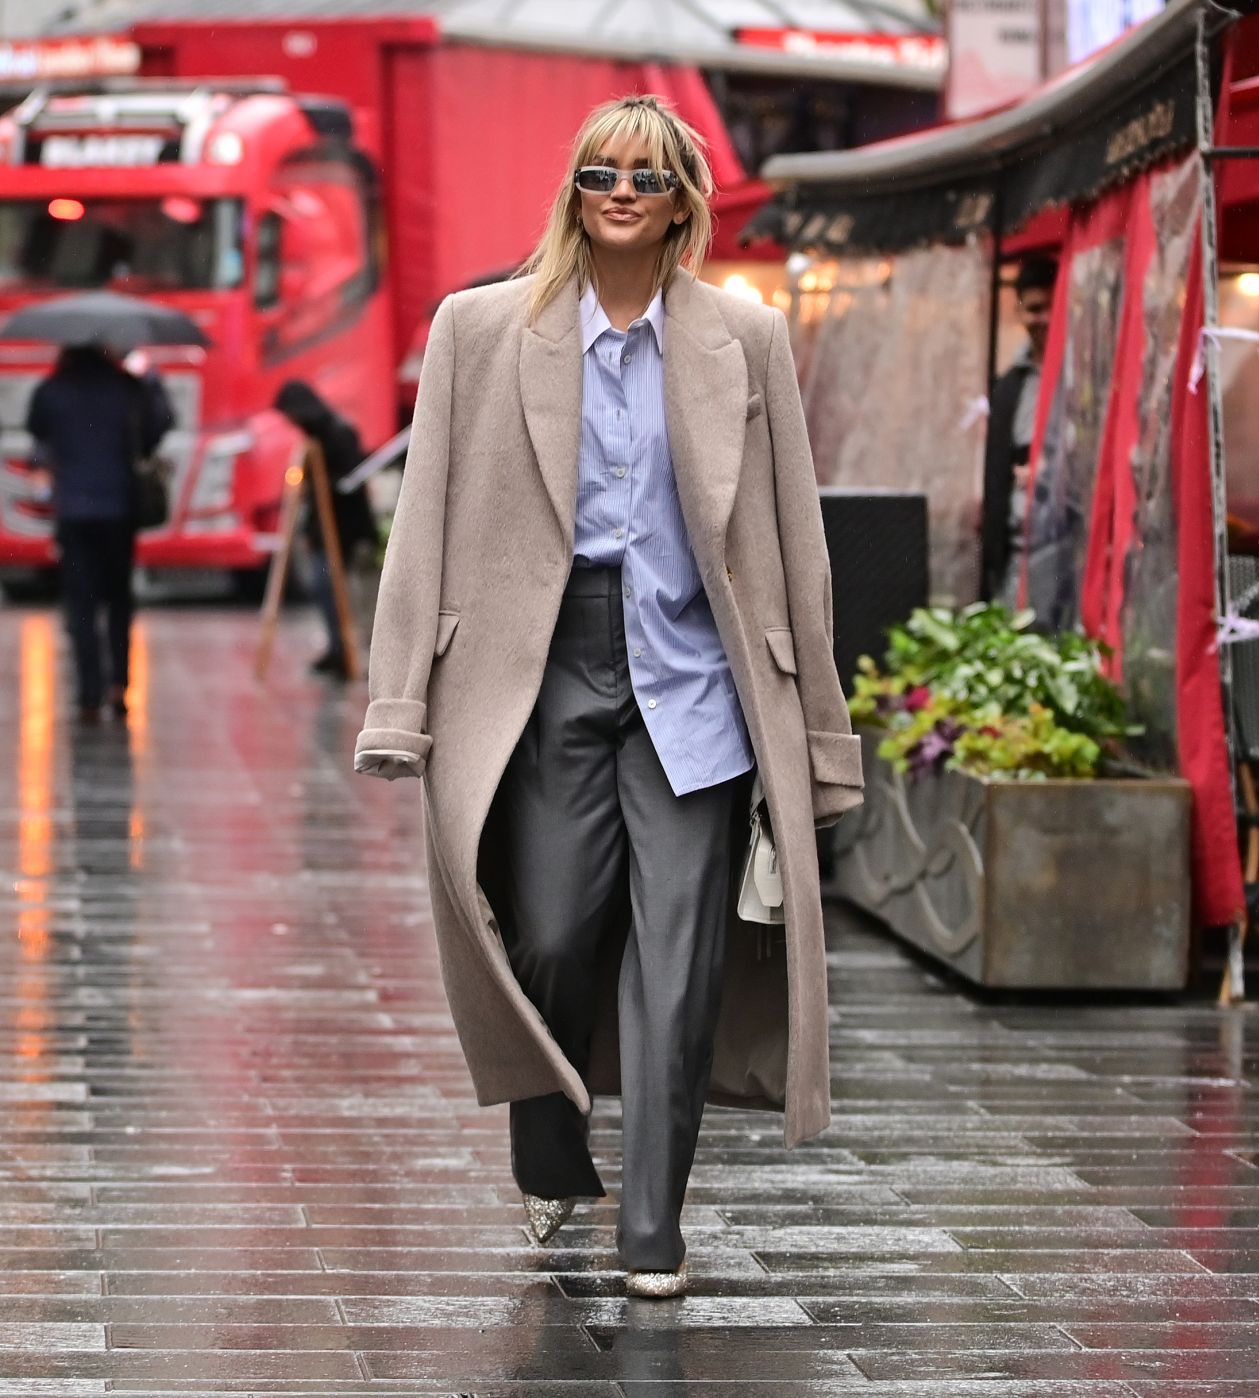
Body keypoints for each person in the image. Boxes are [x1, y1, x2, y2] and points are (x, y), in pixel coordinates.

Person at [353, 95, 863, 1297]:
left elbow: (797, 542)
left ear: (683, 196)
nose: (618, 192)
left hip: (697, 679)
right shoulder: (479, 330)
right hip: (540, 668)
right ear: (572, 193)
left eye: (642, 175)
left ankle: (652, 1227)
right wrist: (397, 703)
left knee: (681, 960)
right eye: (597, 173)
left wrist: (821, 736)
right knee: (547, 927)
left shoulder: (743, 337)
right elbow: (418, 524)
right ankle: (545, 1149)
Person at [26, 342, 174, 721]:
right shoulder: (128, 388)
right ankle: (118, 686)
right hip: (118, 509)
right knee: (119, 600)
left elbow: (36, 430)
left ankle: (89, 694)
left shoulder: (53, 389)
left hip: (73, 511)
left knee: (81, 603)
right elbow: (156, 430)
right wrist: (151, 380)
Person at [272, 381, 376, 675]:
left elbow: (347, 483)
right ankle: (336, 648)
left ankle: (341, 650)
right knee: (324, 588)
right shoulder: (318, 436)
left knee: (329, 587)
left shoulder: (337, 434)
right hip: (326, 527)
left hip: (342, 527)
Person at [981, 256, 1057, 605]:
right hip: (1019, 541)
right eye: (1035, 308)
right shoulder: (1010, 385)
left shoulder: (1083, 376)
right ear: (1022, 311)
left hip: (1068, 542)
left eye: (1052, 306)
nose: (1044, 319)